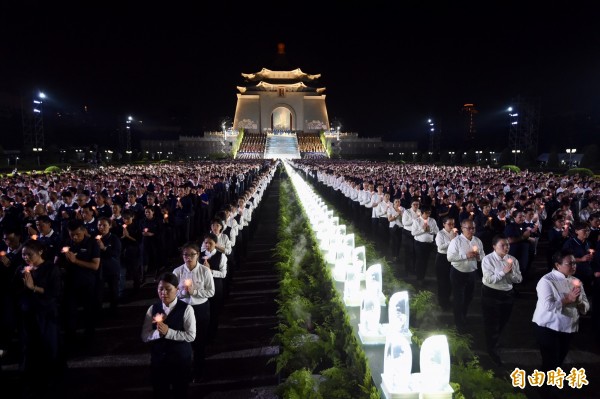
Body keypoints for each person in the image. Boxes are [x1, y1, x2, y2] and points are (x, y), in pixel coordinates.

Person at [17, 239, 64, 397]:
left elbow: (55, 292)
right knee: (29, 346)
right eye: (23, 255)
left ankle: (51, 377)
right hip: (27, 313)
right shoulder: (22, 269)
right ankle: (30, 378)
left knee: (48, 344)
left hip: (46, 313)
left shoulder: (51, 269)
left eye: (29, 254)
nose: (26, 258)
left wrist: (34, 288)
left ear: (40, 252)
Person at [532, 250, 589, 373]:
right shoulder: (546, 281)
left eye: (574, 263)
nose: (574, 266)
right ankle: (544, 389)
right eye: (570, 263)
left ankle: (551, 385)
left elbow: (585, 307)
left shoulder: (576, 281)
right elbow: (548, 306)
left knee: (559, 361)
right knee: (550, 362)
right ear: (558, 265)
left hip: (568, 327)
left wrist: (578, 301)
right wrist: (567, 299)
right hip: (548, 327)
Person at [141, 272, 196, 398]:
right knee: (160, 391)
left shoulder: (187, 309)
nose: (163, 293)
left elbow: (191, 335)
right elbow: (144, 336)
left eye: (168, 289)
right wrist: (158, 334)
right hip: (159, 359)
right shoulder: (153, 308)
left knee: (180, 391)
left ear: (176, 290)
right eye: (160, 289)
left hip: (180, 359)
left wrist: (168, 333)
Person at [172, 242, 215, 382]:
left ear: (198, 255)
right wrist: (183, 293)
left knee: (199, 341)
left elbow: (211, 291)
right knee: (183, 341)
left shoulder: (205, 271)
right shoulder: (177, 272)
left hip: (200, 308)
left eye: (192, 255)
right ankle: (183, 370)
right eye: (185, 255)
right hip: (183, 309)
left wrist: (194, 292)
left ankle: (198, 370)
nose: (188, 258)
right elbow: (173, 293)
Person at [480, 235, 522, 366]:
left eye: (508, 245)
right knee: (491, 322)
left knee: (503, 320)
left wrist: (511, 274)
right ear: (494, 246)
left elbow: (519, 279)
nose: (506, 247)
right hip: (491, 293)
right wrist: (503, 272)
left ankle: (495, 339)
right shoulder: (488, 260)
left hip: (507, 293)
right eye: (502, 245)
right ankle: (492, 349)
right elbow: (489, 279)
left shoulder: (512, 260)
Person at [447, 219, 484, 333]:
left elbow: (483, 256)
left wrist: (478, 257)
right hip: (458, 272)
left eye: (473, 228)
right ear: (462, 228)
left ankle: (463, 315)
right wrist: (465, 255)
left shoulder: (477, 241)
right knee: (459, 298)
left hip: (472, 273)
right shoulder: (456, 241)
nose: (471, 230)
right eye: (469, 228)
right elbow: (450, 257)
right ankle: (458, 322)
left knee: (469, 297)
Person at [202, 232, 227, 342]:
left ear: (215, 244)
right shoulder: (199, 254)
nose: (207, 245)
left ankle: (212, 334)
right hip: (203, 287)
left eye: (210, 243)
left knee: (214, 311)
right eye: (206, 243)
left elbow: (223, 274)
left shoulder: (221, 256)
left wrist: (210, 271)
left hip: (216, 286)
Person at [96, 216, 122, 314]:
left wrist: (104, 248)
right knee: (99, 291)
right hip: (99, 269)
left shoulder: (114, 238)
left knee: (113, 290)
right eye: (99, 225)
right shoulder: (95, 238)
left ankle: (114, 310)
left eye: (104, 225)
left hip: (112, 269)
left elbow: (116, 253)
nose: (101, 227)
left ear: (109, 226)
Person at [411, 205, 439, 285]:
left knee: (425, 260)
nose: (428, 215)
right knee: (420, 260)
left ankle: (422, 275)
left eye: (429, 213)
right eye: (427, 213)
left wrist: (430, 230)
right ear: (422, 213)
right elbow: (413, 233)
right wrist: (422, 230)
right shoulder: (417, 221)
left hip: (429, 244)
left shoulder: (432, 221)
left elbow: (437, 231)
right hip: (419, 244)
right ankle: (419, 278)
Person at [435, 216, 457, 310]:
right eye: (449, 224)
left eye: (453, 224)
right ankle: (442, 302)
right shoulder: (440, 234)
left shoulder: (455, 233)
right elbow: (440, 246)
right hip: (442, 258)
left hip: (452, 259)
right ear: (444, 224)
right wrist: (452, 240)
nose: (451, 226)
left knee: (450, 281)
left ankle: (447, 300)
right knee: (442, 282)